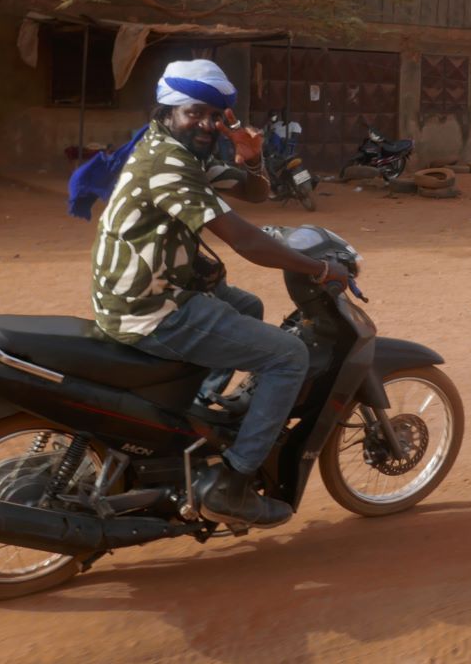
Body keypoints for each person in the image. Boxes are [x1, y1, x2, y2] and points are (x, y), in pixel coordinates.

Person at [85, 59, 349, 529]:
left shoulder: (185, 151)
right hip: (152, 308)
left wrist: (251, 157)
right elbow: (246, 240)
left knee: (247, 306)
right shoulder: (168, 165)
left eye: (215, 115)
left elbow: (258, 194)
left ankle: (195, 411)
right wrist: (320, 268)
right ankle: (233, 484)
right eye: (195, 113)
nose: (206, 123)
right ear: (168, 111)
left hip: (143, 292)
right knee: (288, 355)